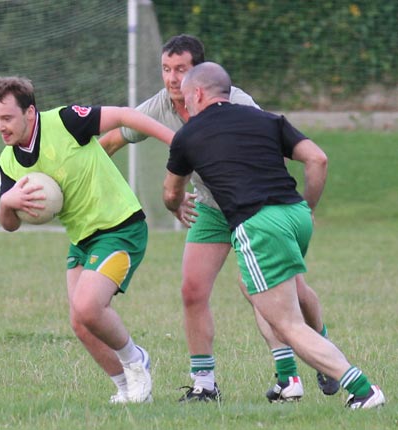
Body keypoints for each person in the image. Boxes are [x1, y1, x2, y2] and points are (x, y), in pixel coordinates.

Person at [100, 34, 339, 402]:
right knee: (192, 290)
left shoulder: (238, 102)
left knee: (285, 293)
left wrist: (296, 206)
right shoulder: (159, 106)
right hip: (211, 210)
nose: (172, 78)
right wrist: (87, 177)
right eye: (166, 69)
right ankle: (204, 384)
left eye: (181, 69)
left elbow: (266, 145)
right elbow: (115, 138)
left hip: (257, 207)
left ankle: (322, 353)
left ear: (201, 74)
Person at [162, 61, 386, 410]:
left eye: (187, 98)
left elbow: (171, 192)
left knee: (289, 322)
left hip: (258, 224)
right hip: (296, 215)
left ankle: (362, 388)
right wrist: (307, 207)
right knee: (255, 288)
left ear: (199, 94)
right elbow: (317, 159)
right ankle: (287, 380)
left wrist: (174, 205)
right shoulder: (266, 119)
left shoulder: (188, 135)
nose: (185, 105)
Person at [0, 76, 175, 404]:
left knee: (88, 306)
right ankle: (127, 389)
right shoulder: (8, 162)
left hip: (120, 226)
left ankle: (136, 360)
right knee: (80, 322)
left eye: (7, 118)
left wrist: (175, 141)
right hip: (83, 238)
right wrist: (8, 203)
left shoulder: (64, 121)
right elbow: (9, 225)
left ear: (29, 113)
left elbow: (122, 116)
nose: (0, 127)